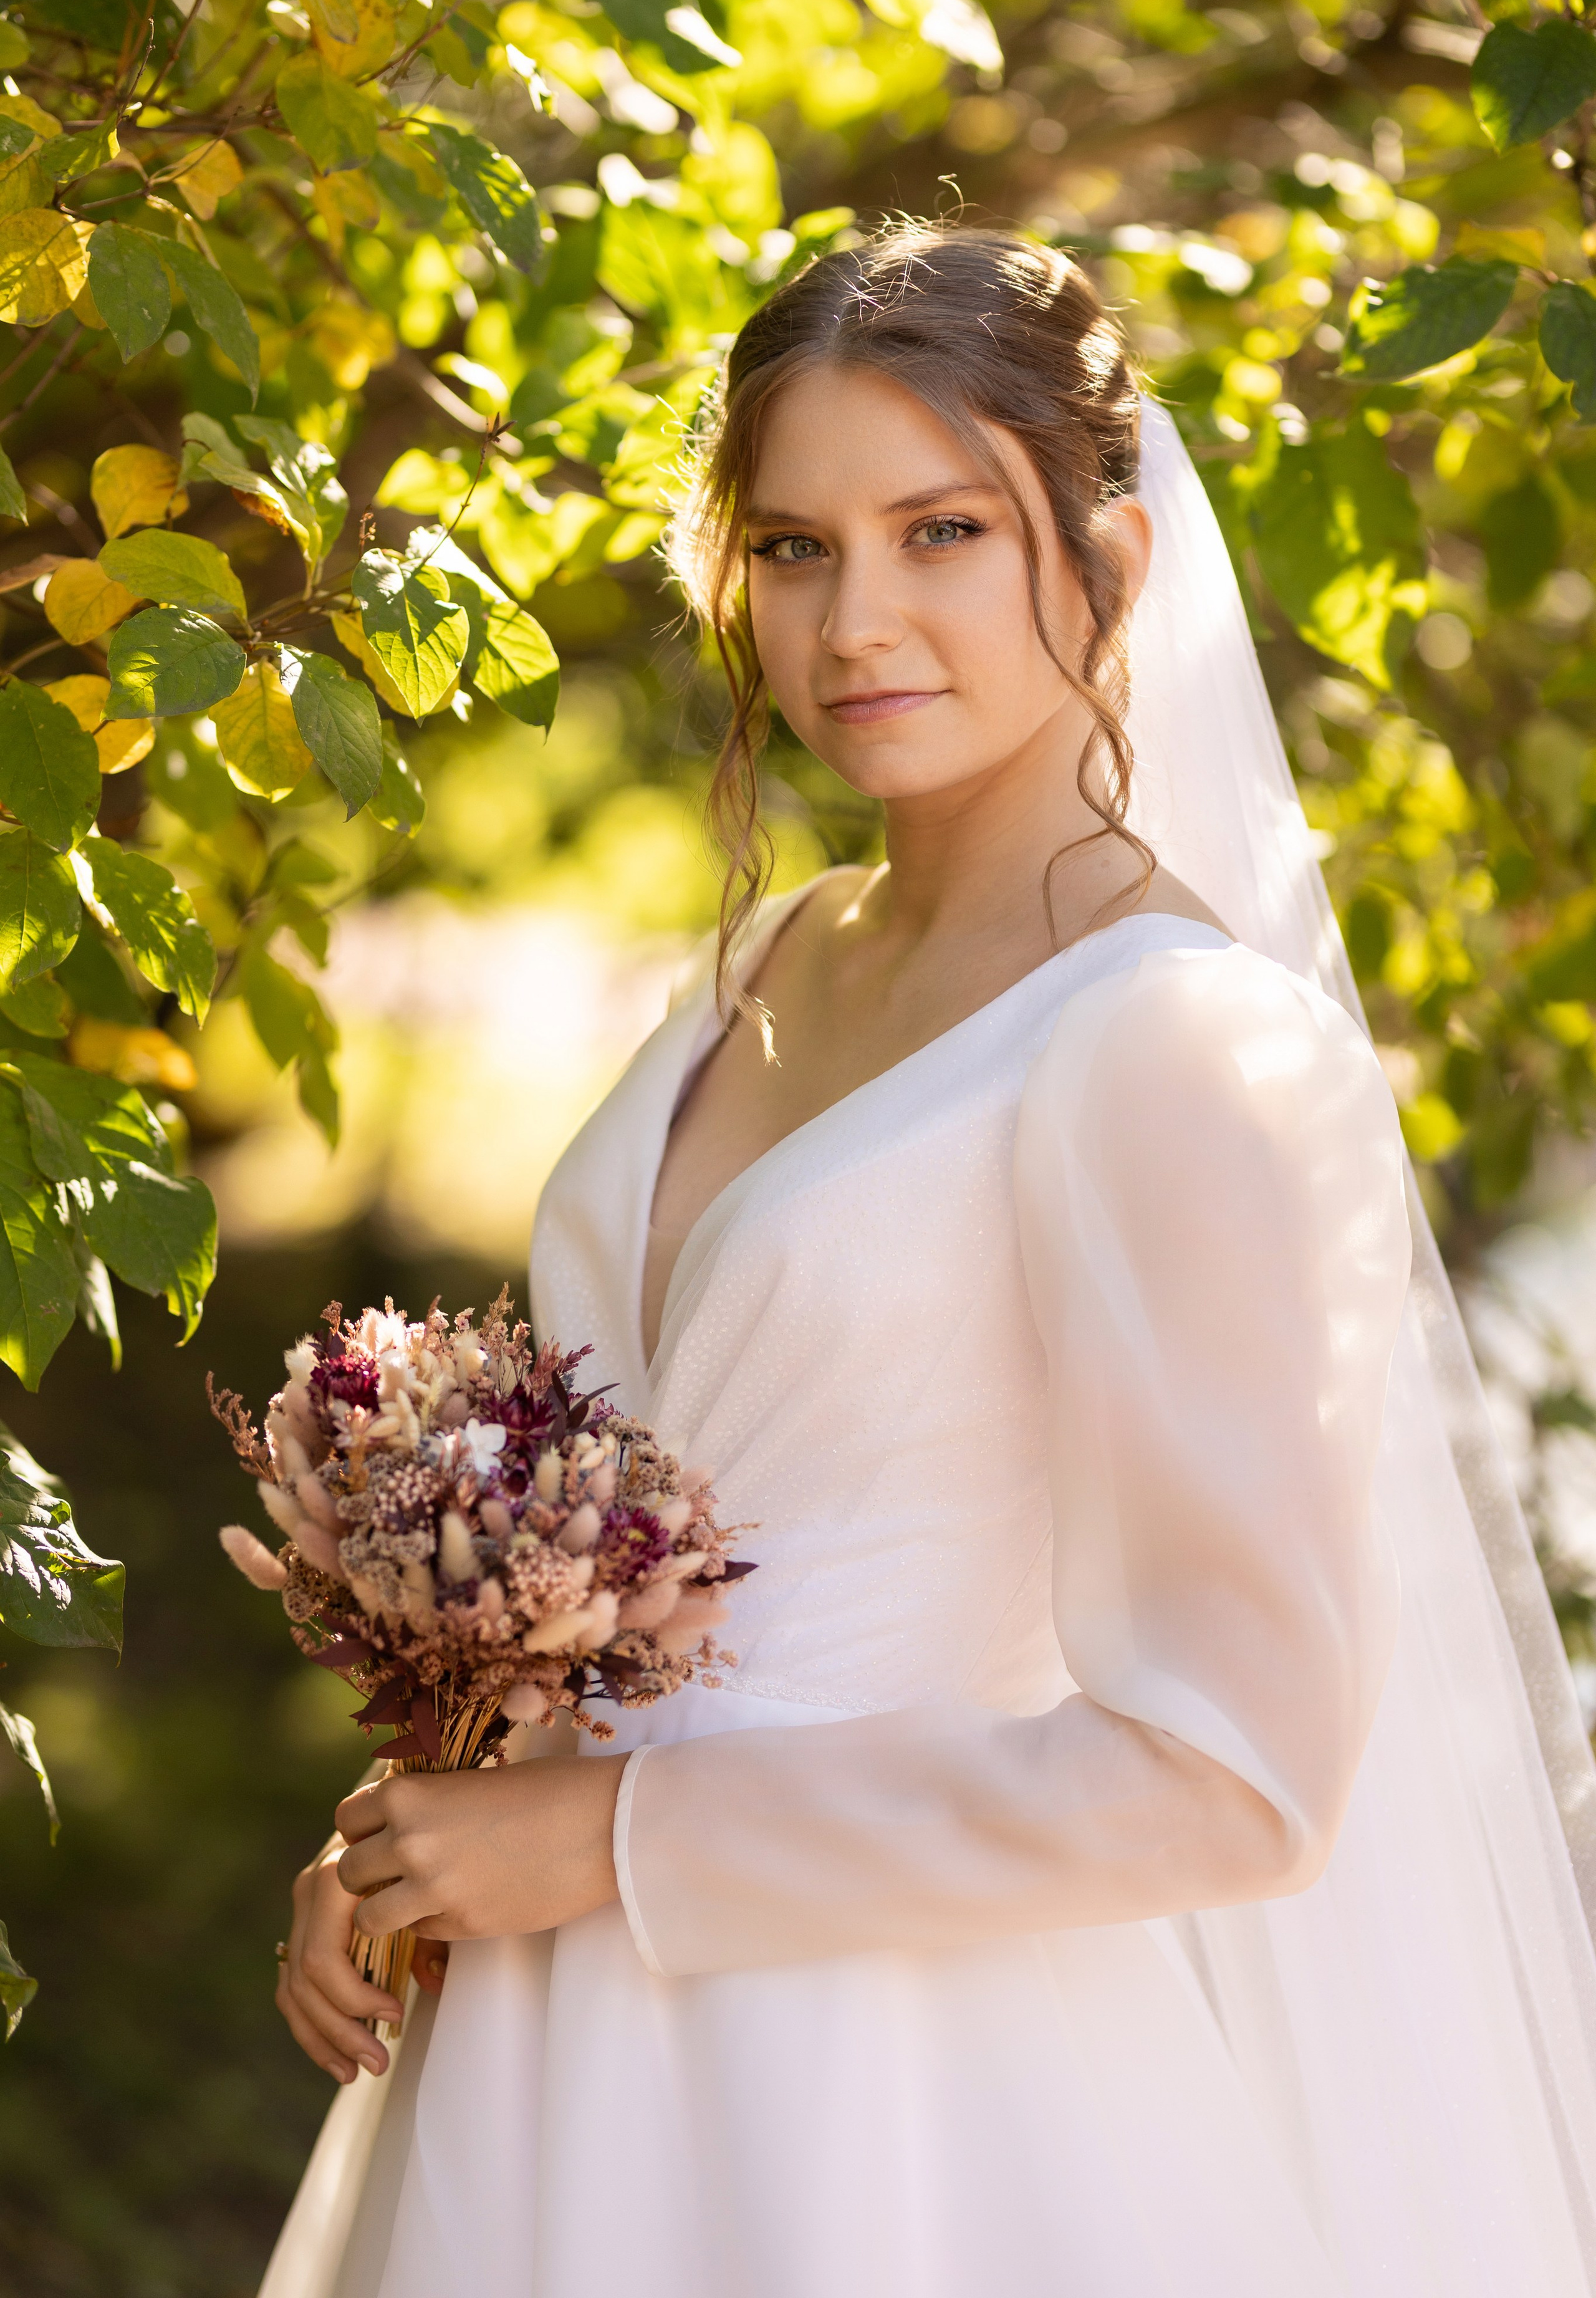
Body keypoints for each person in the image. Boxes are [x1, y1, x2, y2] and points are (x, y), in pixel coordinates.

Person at [262, 225, 1596, 2298]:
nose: (855, 619)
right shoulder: (765, 965)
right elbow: (655, 1558)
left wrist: (610, 1848)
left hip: (903, 2106)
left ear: (1116, 563)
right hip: (534, 2054)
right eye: (792, 547)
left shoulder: (1175, 1045)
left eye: (941, 531)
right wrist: (425, 1814)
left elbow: (1233, 1775)